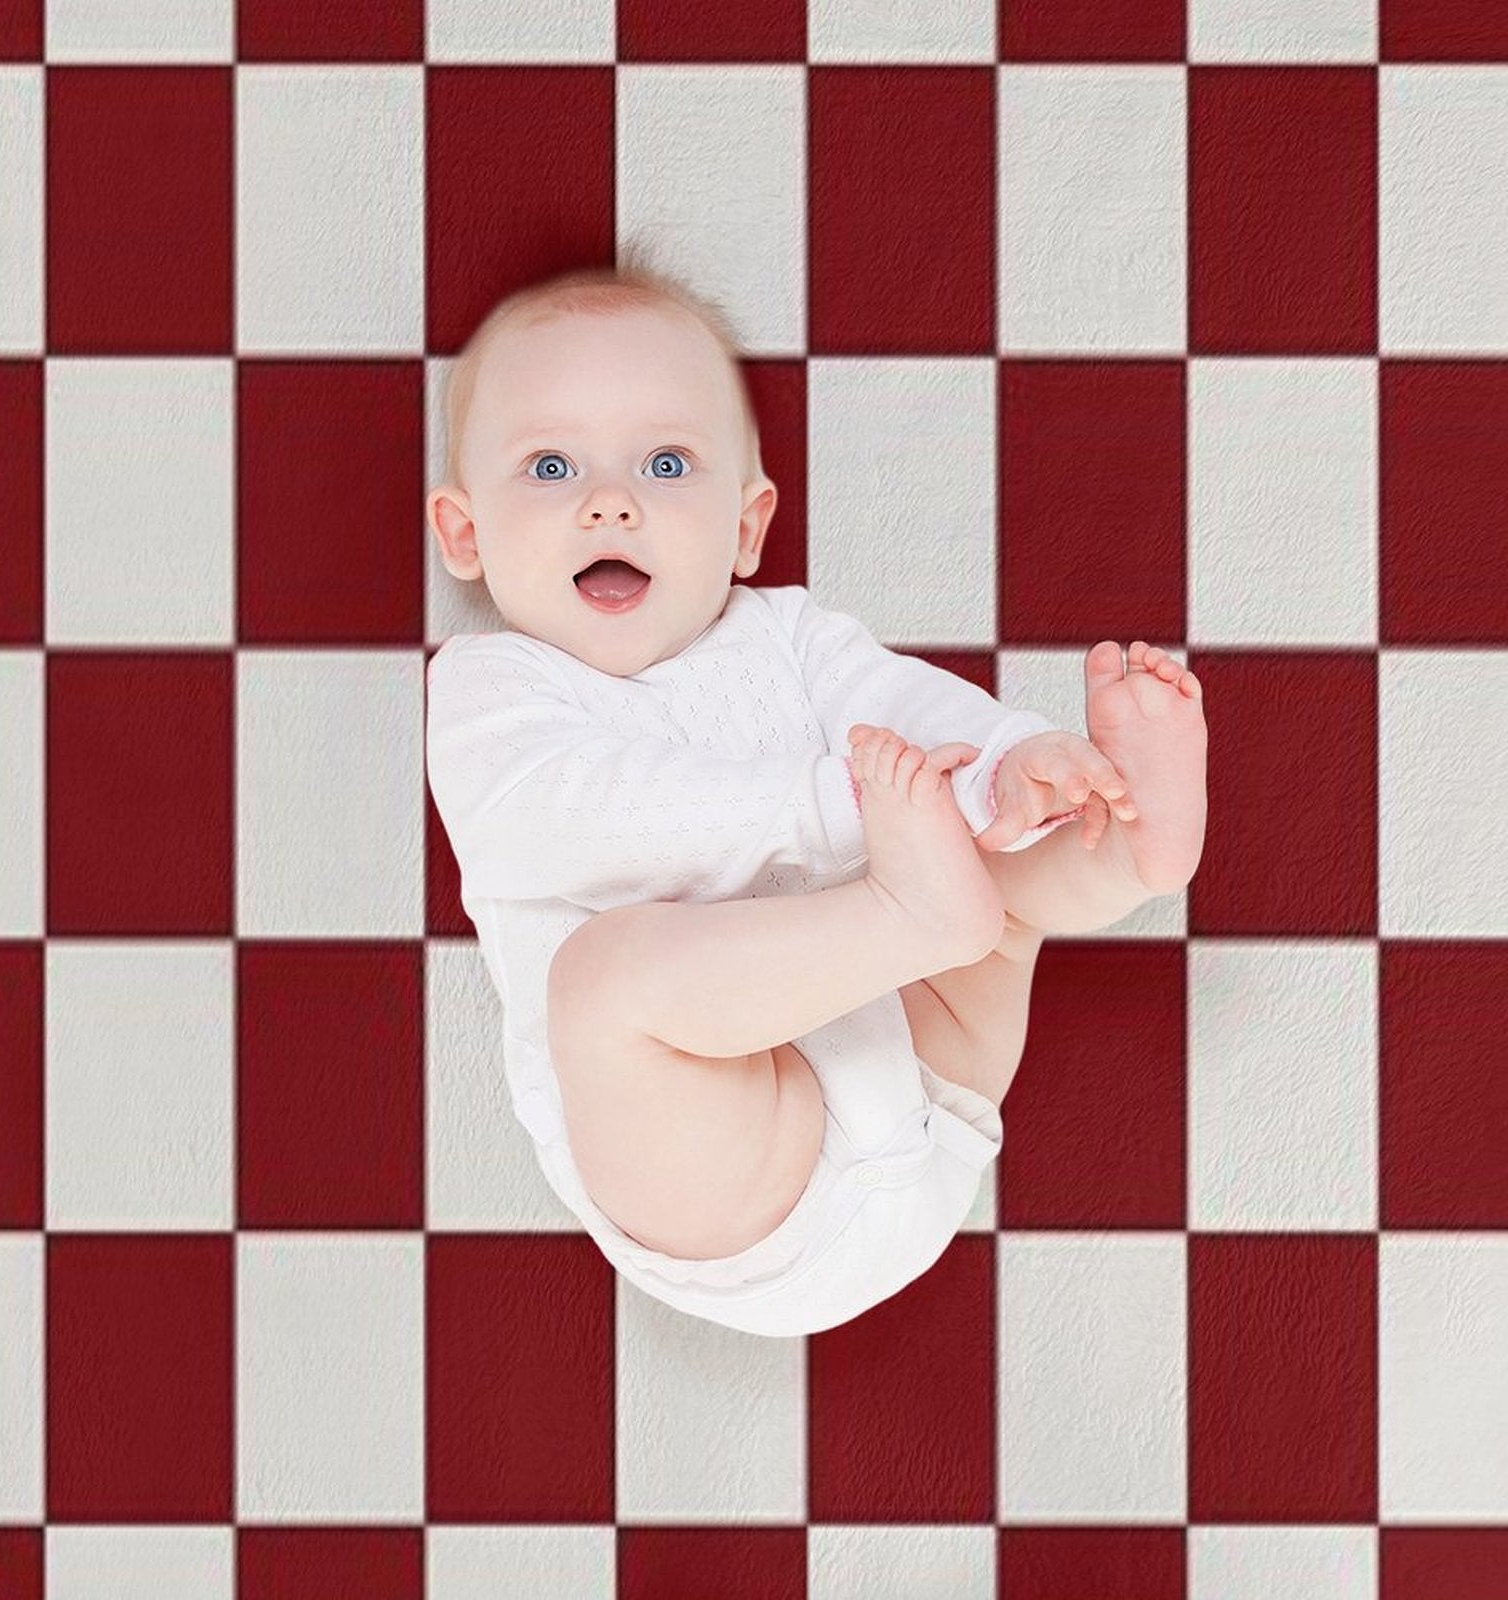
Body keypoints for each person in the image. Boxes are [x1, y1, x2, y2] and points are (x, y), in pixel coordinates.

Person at [424, 257, 1208, 1337]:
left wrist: (1005, 763)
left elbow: (904, 708)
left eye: (665, 461)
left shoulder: (787, 636)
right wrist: (840, 807)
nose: (611, 499)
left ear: (745, 526)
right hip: (740, 1177)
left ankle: (1120, 846)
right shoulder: (492, 689)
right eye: (550, 465)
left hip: (930, 1073)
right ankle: (920, 909)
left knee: (993, 863)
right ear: (465, 534)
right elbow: (566, 819)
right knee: (602, 981)